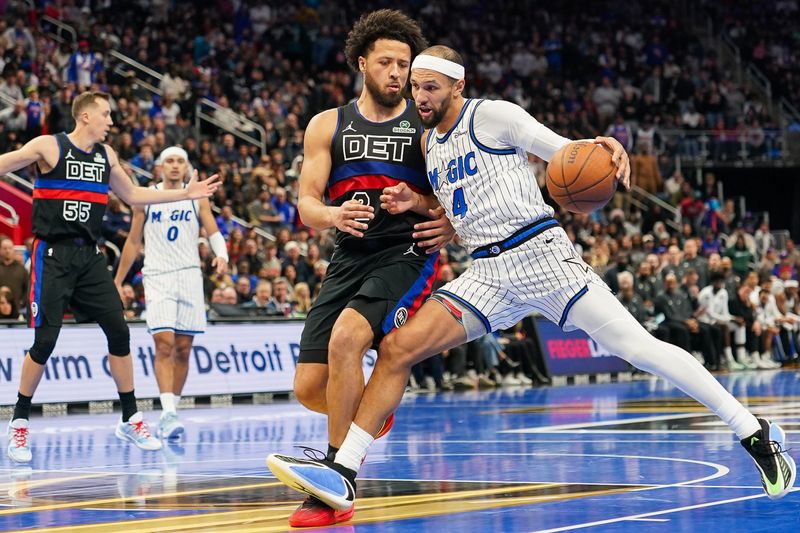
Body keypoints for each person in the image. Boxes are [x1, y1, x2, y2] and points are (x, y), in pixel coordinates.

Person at [267, 45, 795, 510]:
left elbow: (563, 151)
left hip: (541, 256)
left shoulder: (494, 116)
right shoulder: (430, 145)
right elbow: (458, 208)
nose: (419, 95)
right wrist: (417, 202)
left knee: (638, 346)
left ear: (458, 85)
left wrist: (603, 144)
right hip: (488, 273)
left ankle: (753, 430)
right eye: (416, 87)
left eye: (430, 86)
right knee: (399, 348)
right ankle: (345, 472)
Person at [277, 10, 454, 528]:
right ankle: (371, 412)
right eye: (386, 62)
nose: (397, 72)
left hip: (407, 252)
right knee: (310, 386)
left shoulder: (426, 128)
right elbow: (306, 203)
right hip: (349, 254)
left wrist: (427, 212)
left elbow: (453, 204)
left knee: (347, 338)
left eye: (404, 64)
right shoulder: (326, 124)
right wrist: (332, 214)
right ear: (362, 64)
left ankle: (336, 483)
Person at [0, 91, 218, 463]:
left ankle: (130, 416)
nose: (111, 121)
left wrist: (185, 193)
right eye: (106, 114)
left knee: (119, 331)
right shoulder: (49, 147)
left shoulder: (106, 156)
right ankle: (19, 421)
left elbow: (133, 194)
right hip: (51, 255)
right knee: (45, 340)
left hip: (89, 258)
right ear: (85, 116)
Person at [114, 146, 228, 440]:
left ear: (186, 167)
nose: (175, 166)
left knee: (183, 348)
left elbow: (212, 229)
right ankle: (167, 412)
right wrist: (118, 279)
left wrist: (222, 255)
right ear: (160, 167)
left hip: (190, 275)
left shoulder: (196, 197)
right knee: (164, 344)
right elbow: (132, 242)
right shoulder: (146, 198)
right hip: (158, 277)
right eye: (170, 161)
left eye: (180, 161)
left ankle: (172, 410)